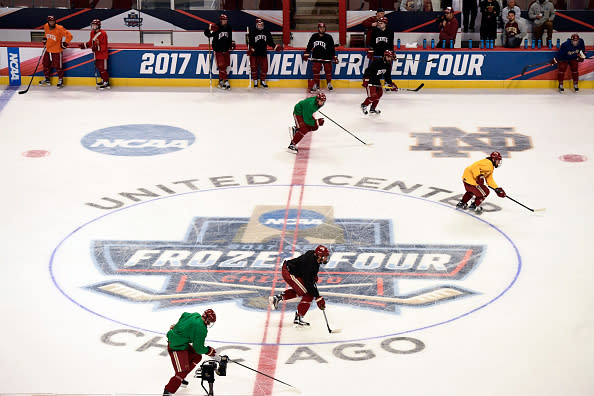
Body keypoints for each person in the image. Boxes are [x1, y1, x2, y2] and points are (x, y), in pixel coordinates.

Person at [269, 245, 330, 326]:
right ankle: (298, 318)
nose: (326, 258)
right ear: (319, 256)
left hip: (295, 272)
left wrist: (313, 276)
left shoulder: (314, 257)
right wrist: (318, 297)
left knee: (302, 290)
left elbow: (309, 276)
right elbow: (309, 283)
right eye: (325, 256)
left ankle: (277, 299)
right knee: (308, 293)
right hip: (289, 273)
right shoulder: (310, 264)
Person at [163, 309, 218, 396]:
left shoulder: (195, 315)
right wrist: (209, 351)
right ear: (207, 320)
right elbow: (198, 348)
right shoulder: (201, 328)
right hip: (176, 346)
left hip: (182, 342)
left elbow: (184, 314)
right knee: (181, 372)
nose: (209, 324)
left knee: (197, 356)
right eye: (210, 322)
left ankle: (181, 377)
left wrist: (177, 327)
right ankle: (168, 391)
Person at [39, 15, 73, 89]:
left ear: (55, 21)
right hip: (48, 50)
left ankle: (60, 80)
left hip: (57, 51)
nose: (52, 23)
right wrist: (45, 39)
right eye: (50, 21)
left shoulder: (60, 28)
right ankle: (47, 78)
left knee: (58, 66)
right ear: (48, 22)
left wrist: (65, 43)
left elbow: (69, 36)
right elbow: (46, 34)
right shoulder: (46, 26)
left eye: (53, 21)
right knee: (45, 64)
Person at [303, 22, 338, 93]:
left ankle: (329, 83)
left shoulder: (329, 37)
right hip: (316, 56)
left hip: (326, 57)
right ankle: (316, 84)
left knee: (328, 70)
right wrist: (306, 53)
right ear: (318, 29)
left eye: (323, 28)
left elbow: (332, 48)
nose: (322, 29)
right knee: (316, 70)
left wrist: (334, 56)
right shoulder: (314, 36)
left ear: (325, 29)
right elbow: (309, 45)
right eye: (320, 28)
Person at [247, 18, 282, 88]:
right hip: (254, 53)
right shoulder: (252, 32)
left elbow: (270, 42)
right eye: (259, 24)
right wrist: (250, 48)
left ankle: (263, 80)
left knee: (265, 67)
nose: (260, 26)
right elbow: (250, 43)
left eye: (261, 24)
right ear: (256, 25)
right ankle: (255, 80)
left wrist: (275, 46)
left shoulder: (266, 32)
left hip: (263, 52)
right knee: (254, 68)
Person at [361, 49, 397, 115]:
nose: (389, 59)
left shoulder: (388, 65)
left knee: (379, 94)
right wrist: (365, 79)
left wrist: (391, 84)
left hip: (377, 81)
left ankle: (372, 109)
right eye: (388, 57)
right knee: (373, 96)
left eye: (390, 57)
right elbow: (368, 70)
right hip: (370, 80)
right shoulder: (377, 61)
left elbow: (387, 76)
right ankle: (364, 105)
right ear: (385, 56)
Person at [204, 14, 234, 90]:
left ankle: (220, 81)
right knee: (221, 65)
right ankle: (226, 81)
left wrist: (230, 44)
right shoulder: (217, 27)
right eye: (223, 20)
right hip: (218, 50)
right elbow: (209, 35)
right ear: (221, 20)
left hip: (226, 49)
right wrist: (208, 30)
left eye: (226, 20)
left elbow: (230, 37)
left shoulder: (229, 27)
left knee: (226, 65)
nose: (225, 21)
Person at [78, 19, 110, 89]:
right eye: (92, 25)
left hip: (102, 54)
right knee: (99, 68)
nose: (93, 26)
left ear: (98, 26)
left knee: (103, 69)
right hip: (96, 55)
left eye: (95, 25)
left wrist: (97, 48)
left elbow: (104, 46)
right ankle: (102, 80)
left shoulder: (103, 33)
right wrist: (84, 45)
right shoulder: (92, 33)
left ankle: (106, 82)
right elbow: (90, 43)